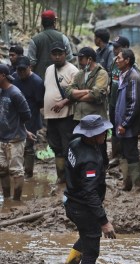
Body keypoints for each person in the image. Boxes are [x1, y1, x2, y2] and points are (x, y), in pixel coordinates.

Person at [57, 114, 116, 264]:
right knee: (92, 250)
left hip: (70, 201)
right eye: (102, 132)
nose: (105, 133)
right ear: (91, 135)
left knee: (86, 237)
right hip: (82, 207)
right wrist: (104, 222)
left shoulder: (75, 143)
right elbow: (90, 194)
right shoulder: (90, 161)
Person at [66, 47, 109, 166]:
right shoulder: (80, 74)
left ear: (89, 59)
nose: (79, 60)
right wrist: (86, 91)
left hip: (95, 119)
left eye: (81, 58)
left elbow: (96, 94)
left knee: (99, 148)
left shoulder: (101, 73)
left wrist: (77, 97)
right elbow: (69, 92)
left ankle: (101, 173)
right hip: (80, 118)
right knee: (82, 147)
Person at [43, 42, 78, 184]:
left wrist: (64, 102)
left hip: (66, 116)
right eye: (54, 54)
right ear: (51, 55)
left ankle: (71, 178)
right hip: (51, 116)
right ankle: (61, 177)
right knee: (55, 146)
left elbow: (77, 93)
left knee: (68, 147)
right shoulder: (49, 69)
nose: (57, 57)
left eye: (60, 54)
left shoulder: (72, 70)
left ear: (65, 54)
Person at [114, 49, 140, 192]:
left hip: (129, 125)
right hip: (123, 124)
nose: (116, 60)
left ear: (127, 61)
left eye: (119, 58)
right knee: (124, 153)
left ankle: (139, 185)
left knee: (131, 153)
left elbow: (134, 104)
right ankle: (127, 184)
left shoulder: (133, 77)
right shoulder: (124, 75)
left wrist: (125, 123)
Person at [0, 64, 32, 201]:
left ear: (2, 76)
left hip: (15, 139)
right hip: (2, 138)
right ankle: (7, 199)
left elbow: (26, 115)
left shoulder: (15, 93)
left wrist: (21, 129)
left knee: (16, 171)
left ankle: (16, 201)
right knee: (2, 170)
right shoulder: (1, 92)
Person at [12, 56, 45, 179]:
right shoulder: (14, 77)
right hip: (15, 117)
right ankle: (17, 171)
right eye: (18, 70)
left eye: (23, 70)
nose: (20, 73)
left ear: (29, 68)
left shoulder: (37, 82)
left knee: (28, 147)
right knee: (15, 145)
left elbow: (40, 102)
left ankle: (28, 173)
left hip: (31, 117)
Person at [27, 10, 74, 79]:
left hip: (40, 81)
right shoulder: (63, 38)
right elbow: (69, 59)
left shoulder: (34, 40)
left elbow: (31, 64)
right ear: (54, 22)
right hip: (60, 80)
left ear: (42, 23)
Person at [107, 36, 131, 166]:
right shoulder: (113, 62)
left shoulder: (132, 66)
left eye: (117, 47)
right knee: (113, 128)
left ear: (126, 48)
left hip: (124, 104)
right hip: (113, 102)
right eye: (114, 47)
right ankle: (115, 155)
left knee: (124, 128)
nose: (114, 49)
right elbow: (111, 80)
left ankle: (124, 156)